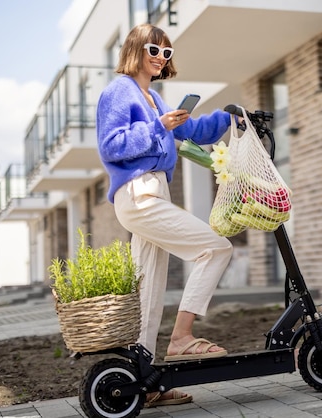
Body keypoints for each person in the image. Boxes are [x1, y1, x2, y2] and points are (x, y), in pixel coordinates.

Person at [96, 23, 235, 407]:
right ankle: (182, 339)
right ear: (135, 50)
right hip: (139, 194)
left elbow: (195, 131)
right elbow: (112, 146)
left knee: (148, 294)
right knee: (216, 249)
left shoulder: (153, 98)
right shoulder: (119, 92)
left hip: (152, 192)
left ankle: (145, 384)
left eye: (166, 53)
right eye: (154, 50)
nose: (160, 58)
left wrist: (229, 117)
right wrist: (157, 127)